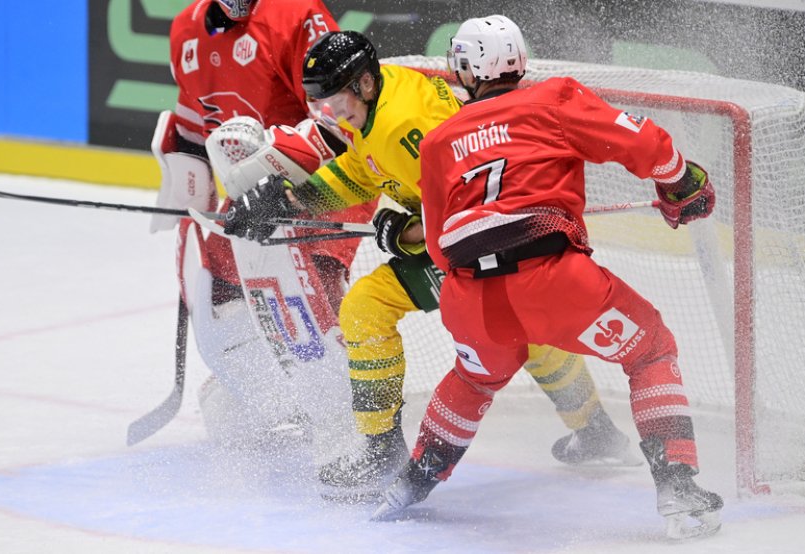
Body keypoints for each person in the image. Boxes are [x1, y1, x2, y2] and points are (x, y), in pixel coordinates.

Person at [215, 29, 639, 497]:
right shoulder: (381, 101)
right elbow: (361, 172)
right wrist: (288, 201)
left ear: (364, 84)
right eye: (324, 102)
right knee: (526, 330)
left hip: (478, 245)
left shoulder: (403, 126)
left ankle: (381, 451)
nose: (331, 112)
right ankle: (596, 429)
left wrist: (405, 235)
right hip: (494, 238)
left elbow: (464, 210)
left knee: (366, 307)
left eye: (335, 99)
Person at [372, 15, 723, 539]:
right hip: (556, 283)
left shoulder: (440, 140)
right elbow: (647, 143)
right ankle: (678, 486)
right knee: (650, 350)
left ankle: (410, 483)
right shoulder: (553, 98)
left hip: (471, 302)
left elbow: (442, 247)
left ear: (465, 68)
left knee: (473, 378)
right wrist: (680, 182)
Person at [149, 0, 374, 442]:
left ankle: (348, 405)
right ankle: (263, 391)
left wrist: (283, 180)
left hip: (329, 177)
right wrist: (187, 190)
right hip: (250, 194)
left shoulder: (295, 14)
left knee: (311, 281)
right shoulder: (186, 31)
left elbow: (341, 118)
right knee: (219, 284)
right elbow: (193, 132)